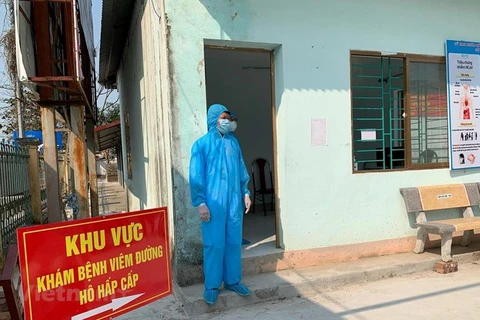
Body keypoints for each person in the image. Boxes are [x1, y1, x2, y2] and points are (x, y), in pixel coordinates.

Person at [189, 104, 252, 306]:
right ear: (214, 119)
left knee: (233, 242)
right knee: (214, 244)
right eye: (223, 117)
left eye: (229, 117)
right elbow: (196, 176)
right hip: (213, 204)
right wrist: (200, 203)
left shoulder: (234, 143)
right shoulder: (201, 145)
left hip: (234, 202)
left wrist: (246, 192)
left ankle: (233, 281)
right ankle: (212, 286)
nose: (228, 121)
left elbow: (241, 170)